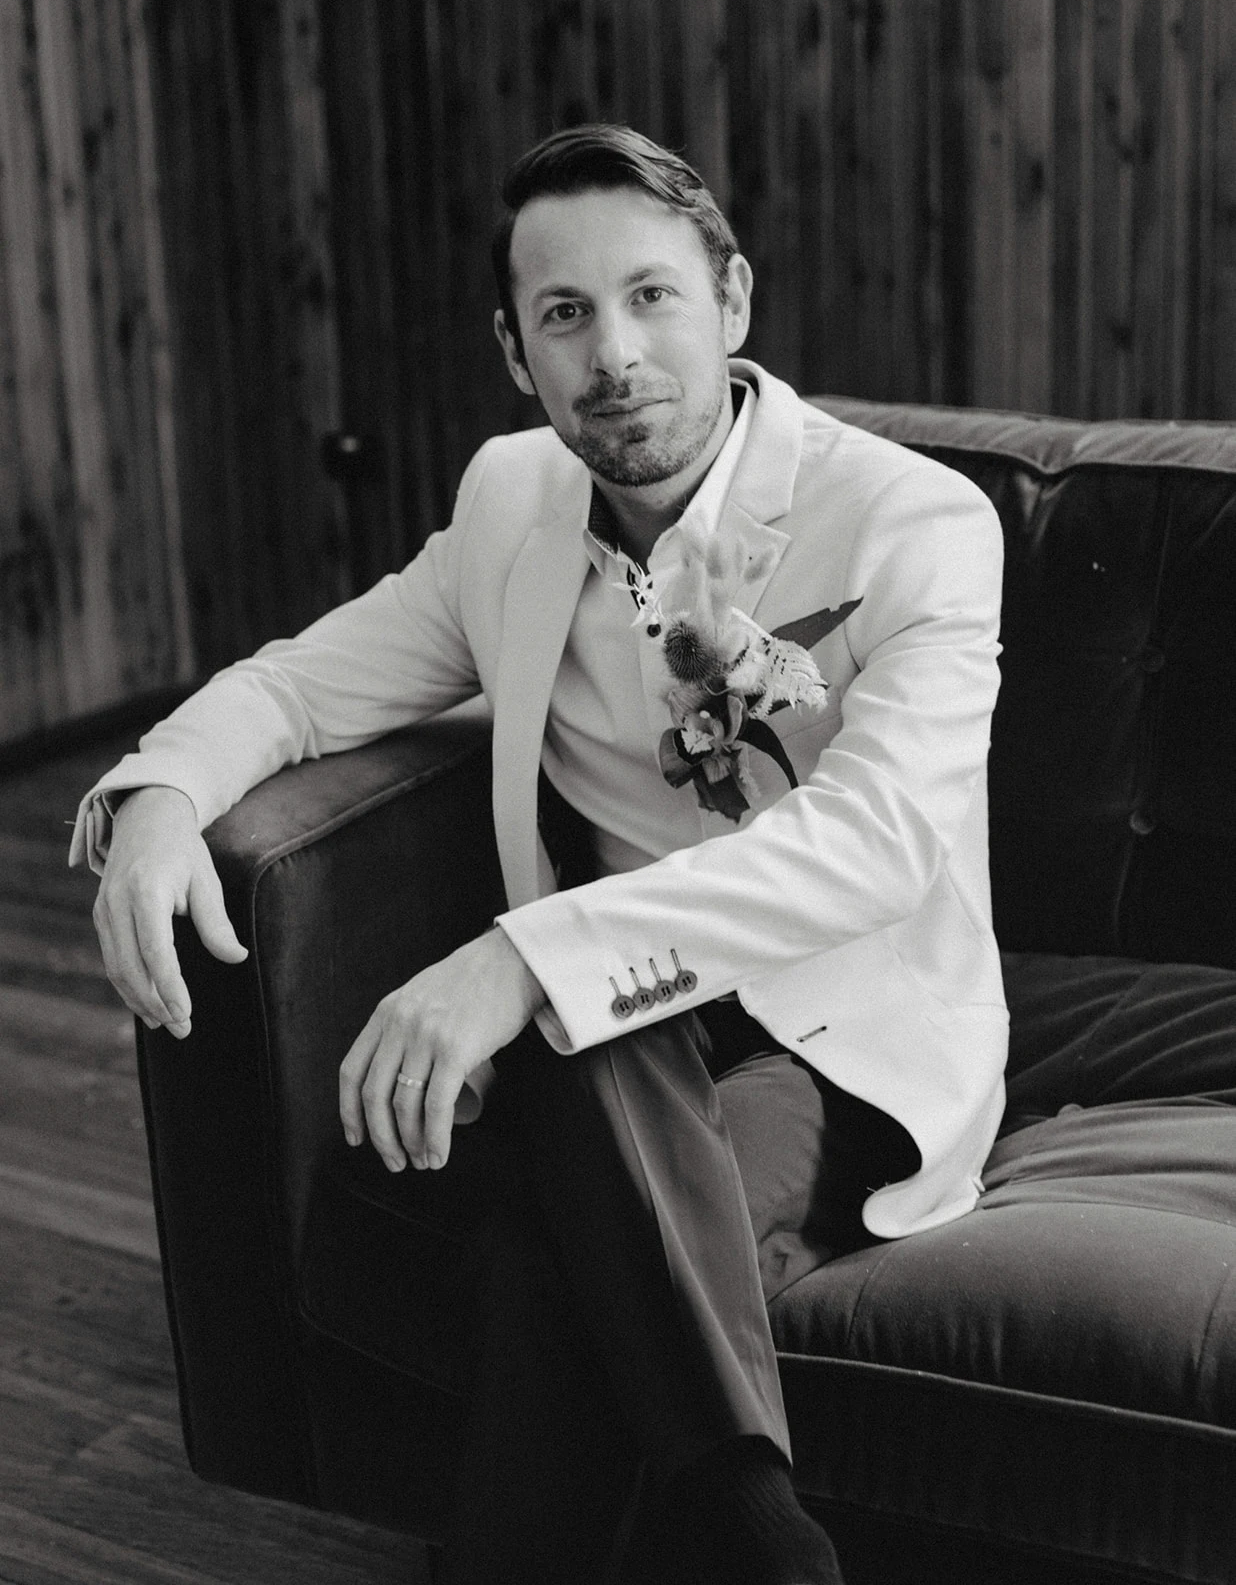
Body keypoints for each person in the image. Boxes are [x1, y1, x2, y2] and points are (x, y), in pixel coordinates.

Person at [72, 124, 1008, 1584]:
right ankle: (756, 1533)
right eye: (565, 314)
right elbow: (304, 685)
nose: (613, 355)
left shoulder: (913, 520)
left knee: (552, 1147)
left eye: (652, 297)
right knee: (568, 1128)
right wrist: (159, 800)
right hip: (620, 1033)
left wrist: (521, 959)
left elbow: (876, 845)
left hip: (842, 1023)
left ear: (733, 300)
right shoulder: (510, 501)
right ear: (517, 352)